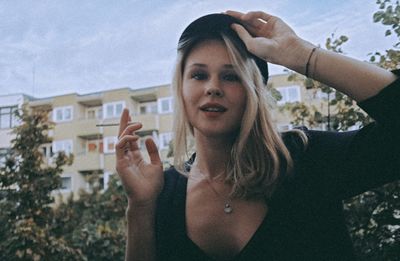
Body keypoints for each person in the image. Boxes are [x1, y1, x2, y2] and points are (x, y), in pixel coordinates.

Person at [115, 10, 399, 261]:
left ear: (254, 91)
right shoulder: (161, 193)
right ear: (181, 90)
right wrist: (140, 207)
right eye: (199, 75)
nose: (212, 87)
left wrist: (303, 56)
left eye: (231, 76)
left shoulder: (305, 158)